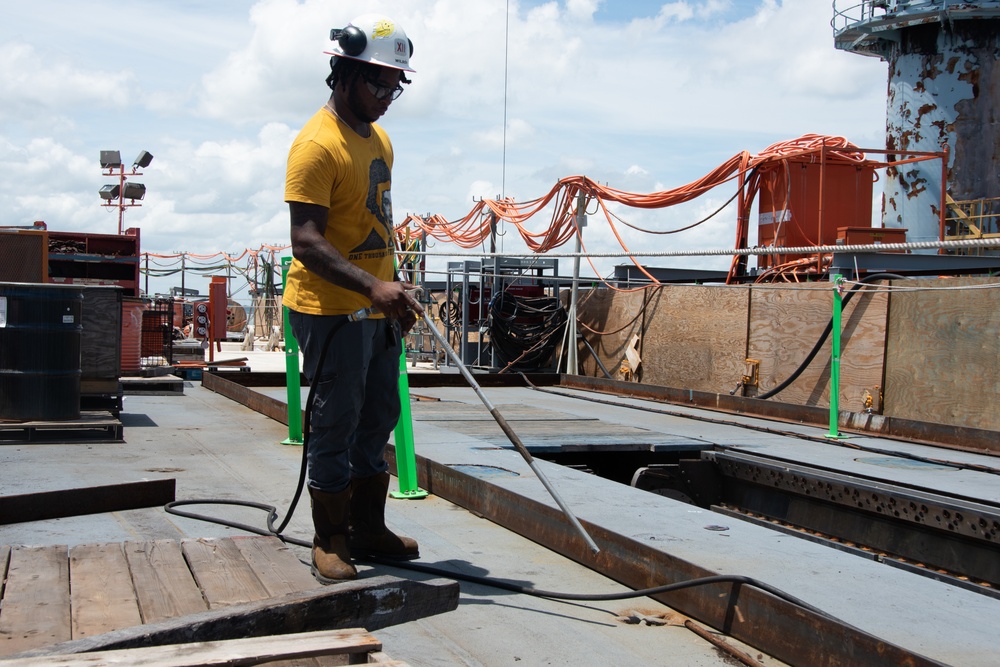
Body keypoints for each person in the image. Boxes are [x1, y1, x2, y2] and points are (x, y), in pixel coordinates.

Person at [282, 13, 424, 584]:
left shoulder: (380, 140)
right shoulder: (316, 146)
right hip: (331, 311)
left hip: (374, 312)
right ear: (342, 72)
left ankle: (369, 526)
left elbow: (373, 226)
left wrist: (395, 289)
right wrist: (371, 287)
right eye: (378, 84)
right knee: (335, 422)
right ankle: (331, 539)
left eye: (396, 86)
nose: (387, 96)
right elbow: (307, 242)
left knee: (377, 418)